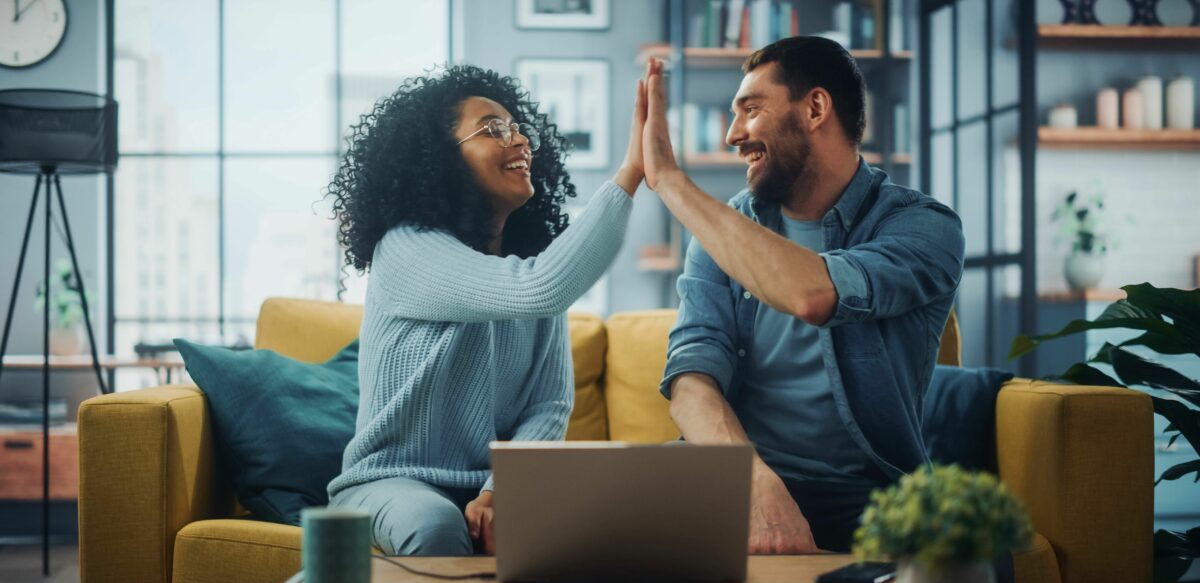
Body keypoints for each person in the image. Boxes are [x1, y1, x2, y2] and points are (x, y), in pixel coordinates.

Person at [642, 38, 967, 556]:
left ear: (815, 108)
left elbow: (813, 293)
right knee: (607, 533)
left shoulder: (923, 227)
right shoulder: (725, 231)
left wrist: (670, 182)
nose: (732, 135)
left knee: (978, 566)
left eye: (751, 110)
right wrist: (755, 484)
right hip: (736, 473)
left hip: (867, 493)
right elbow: (691, 382)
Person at [325, 63, 648, 556]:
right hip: (390, 482)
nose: (519, 141)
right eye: (494, 129)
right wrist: (631, 174)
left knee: (629, 511)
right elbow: (539, 288)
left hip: (490, 484)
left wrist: (501, 489)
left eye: (519, 129)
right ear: (439, 159)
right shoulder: (407, 249)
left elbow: (548, 406)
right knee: (434, 523)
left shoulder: (528, 270)